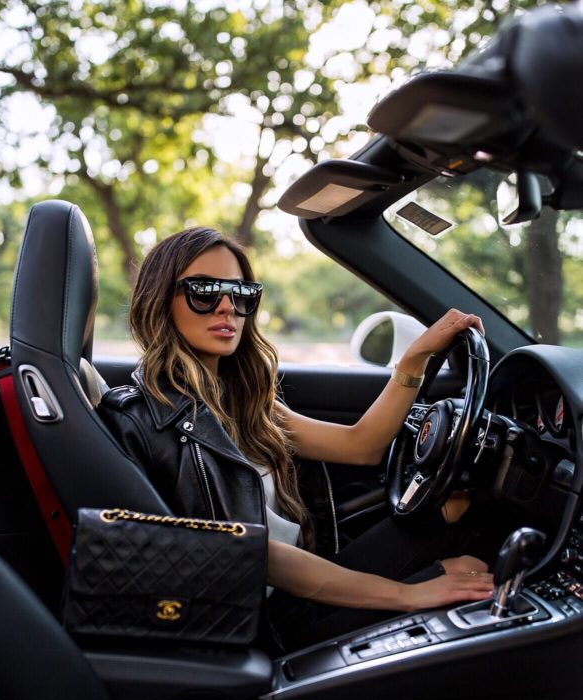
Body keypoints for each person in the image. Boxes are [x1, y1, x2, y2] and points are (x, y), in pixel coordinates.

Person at [98, 226, 495, 652]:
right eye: (204, 291)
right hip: (267, 624)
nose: (228, 307)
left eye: (241, 293)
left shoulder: (239, 397)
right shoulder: (152, 421)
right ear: (161, 301)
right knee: (469, 585)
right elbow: (259, 557)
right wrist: (411, 594)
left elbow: (361, 446)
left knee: (462, 506)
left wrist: (416, 357)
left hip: (300, 586)